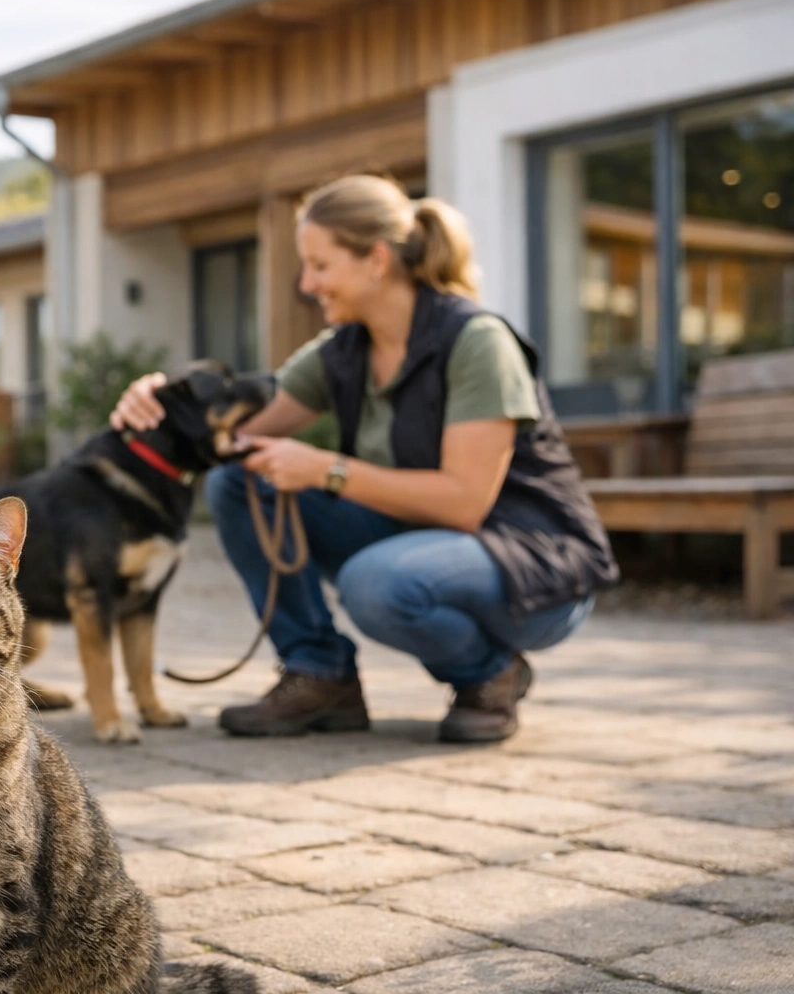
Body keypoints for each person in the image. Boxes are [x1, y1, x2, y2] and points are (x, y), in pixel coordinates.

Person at [111, 175, 618, 743]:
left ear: (376, 260)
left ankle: (490, 675)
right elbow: (231, 435)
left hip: (532, 566)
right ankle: (321, 675)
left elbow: (466, 503)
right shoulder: (343, 351)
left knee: (375, 584)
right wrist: (158, 400)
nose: (308, 284)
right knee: (239, 481)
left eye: (320, 265)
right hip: (422, 544)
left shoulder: (477, 341)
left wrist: (327, 470)